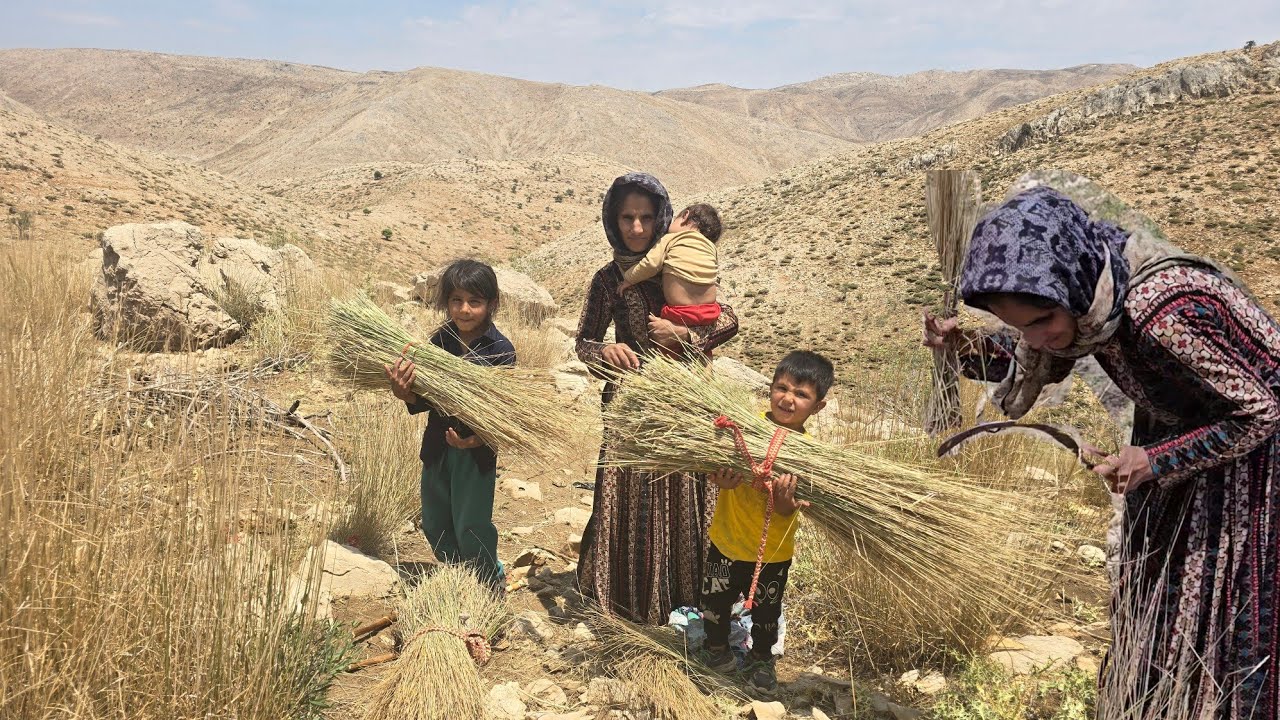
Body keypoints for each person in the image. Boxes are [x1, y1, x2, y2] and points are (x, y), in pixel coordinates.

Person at [923, 185, 1280, 718]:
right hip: (1190, 450)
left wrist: (1157, 460)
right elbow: (1034, 354)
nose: (1036, 338)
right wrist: (964, 346)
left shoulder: (1161, 312)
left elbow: (1260, 411)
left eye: (1040, 321)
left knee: (1225, 614)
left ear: (1072, 285)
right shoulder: (1091, 307)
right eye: (1023, 325)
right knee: (1158, 598)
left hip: (1253, 468)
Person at [575, 172, 739, 624]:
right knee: (627, 495)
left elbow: (727, 320)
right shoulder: (608, 279)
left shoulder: (682, 257)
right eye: (627, 217)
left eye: (646, 217)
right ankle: (624, 599)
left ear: (662, 217)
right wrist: (606, 350)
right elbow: (583, 341)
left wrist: (683, 333)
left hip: (683, 400)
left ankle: (685, 600)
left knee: (685, 494)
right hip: (631, 404)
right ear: (613, 219)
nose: (637, 228)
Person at [701, 350, 832, 694]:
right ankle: (716, 652)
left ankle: (761, 661)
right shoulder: (743, 429)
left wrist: (786, 506)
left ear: (817, 406)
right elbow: (713, 468)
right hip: (725, 541)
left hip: (771, 553)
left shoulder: (811, 456)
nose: (787, 399)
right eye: (781, 387)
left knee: (765, 615)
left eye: (801, 394)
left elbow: (796, 508)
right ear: (770, 388)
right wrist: (721, 480)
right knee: (714, 606)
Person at [385, 259, 515, 593]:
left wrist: (474, 441)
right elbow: (424, 397)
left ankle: (488, 580)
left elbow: (504, 414)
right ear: (446, 302)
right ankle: (460, 575)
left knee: (471, 523)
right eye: (456, 300)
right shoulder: (439, 342)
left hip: (475, 452)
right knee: (435, 521)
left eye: (475, 301)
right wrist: (405, 393)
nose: (465, 309)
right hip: (438, 446)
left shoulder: (500, 351)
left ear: (491, 304)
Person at [617, 203, 723, 331]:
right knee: (700, 349)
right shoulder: (711, 248)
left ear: (685, 215)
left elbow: (651, 264)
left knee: (664, 339)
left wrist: (628, 279)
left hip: (679, 313)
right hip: (710, 312)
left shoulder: (672, 238)